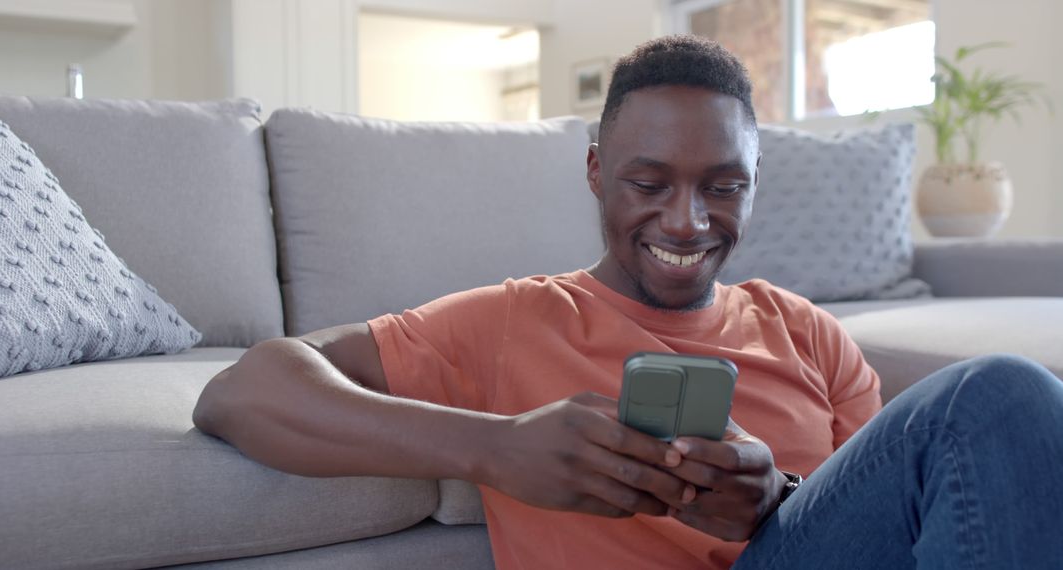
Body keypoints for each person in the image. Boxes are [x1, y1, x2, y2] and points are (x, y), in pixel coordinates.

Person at [193, 36, 1063, 569]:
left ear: (756, 185)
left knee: (1001, 402)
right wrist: (495, 450)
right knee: (1001, 393)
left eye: (724, 186)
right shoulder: (511, 320)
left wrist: (778, 500)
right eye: (649, 182)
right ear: (597, 171)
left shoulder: (808, 333)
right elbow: (242, 392)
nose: (687, 222)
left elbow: (907, 519)